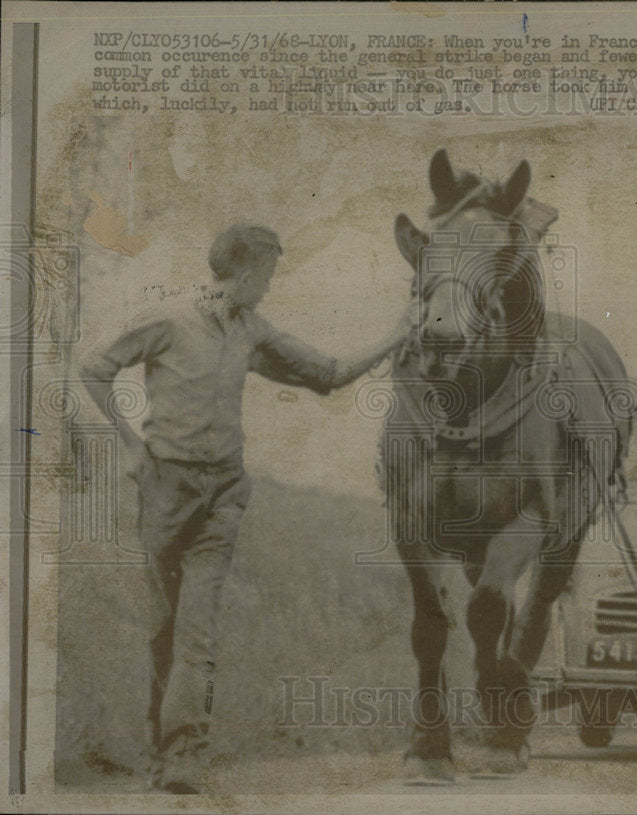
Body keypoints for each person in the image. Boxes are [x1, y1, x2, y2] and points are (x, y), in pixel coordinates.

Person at [80, 224, 412, 793]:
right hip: (165, 489)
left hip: (224, 494)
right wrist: (130, 444)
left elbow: (327, 374)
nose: (269, 288)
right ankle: (165, 751)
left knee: (198, 629)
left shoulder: (251, 331)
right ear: (247, 274)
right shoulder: (170, 320)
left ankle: (184, 753)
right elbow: (95, 368)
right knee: (164, 627)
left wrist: (399, 335)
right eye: (270, 277)